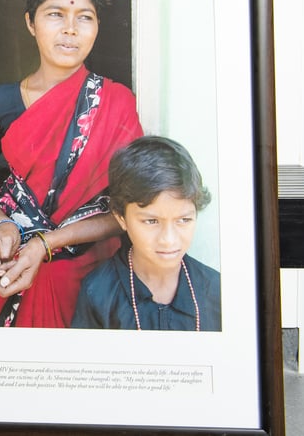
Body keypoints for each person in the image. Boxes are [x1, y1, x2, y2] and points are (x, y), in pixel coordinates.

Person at [0, 0, 144, 328]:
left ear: (97, 27)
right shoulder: (2, 102)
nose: (70, 29)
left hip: (92, 273)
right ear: (31, 22)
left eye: (84, 16)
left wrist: (47, 243)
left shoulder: (116, 102)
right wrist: (4, 226)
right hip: (14, 255)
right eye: (55, 14)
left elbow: (127, 209)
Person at [72, 136, 221, 330]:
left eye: (184, 220)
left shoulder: (216, 290)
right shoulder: (98, 292)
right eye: (151, 221)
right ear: (121, 218)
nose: (168, 240)